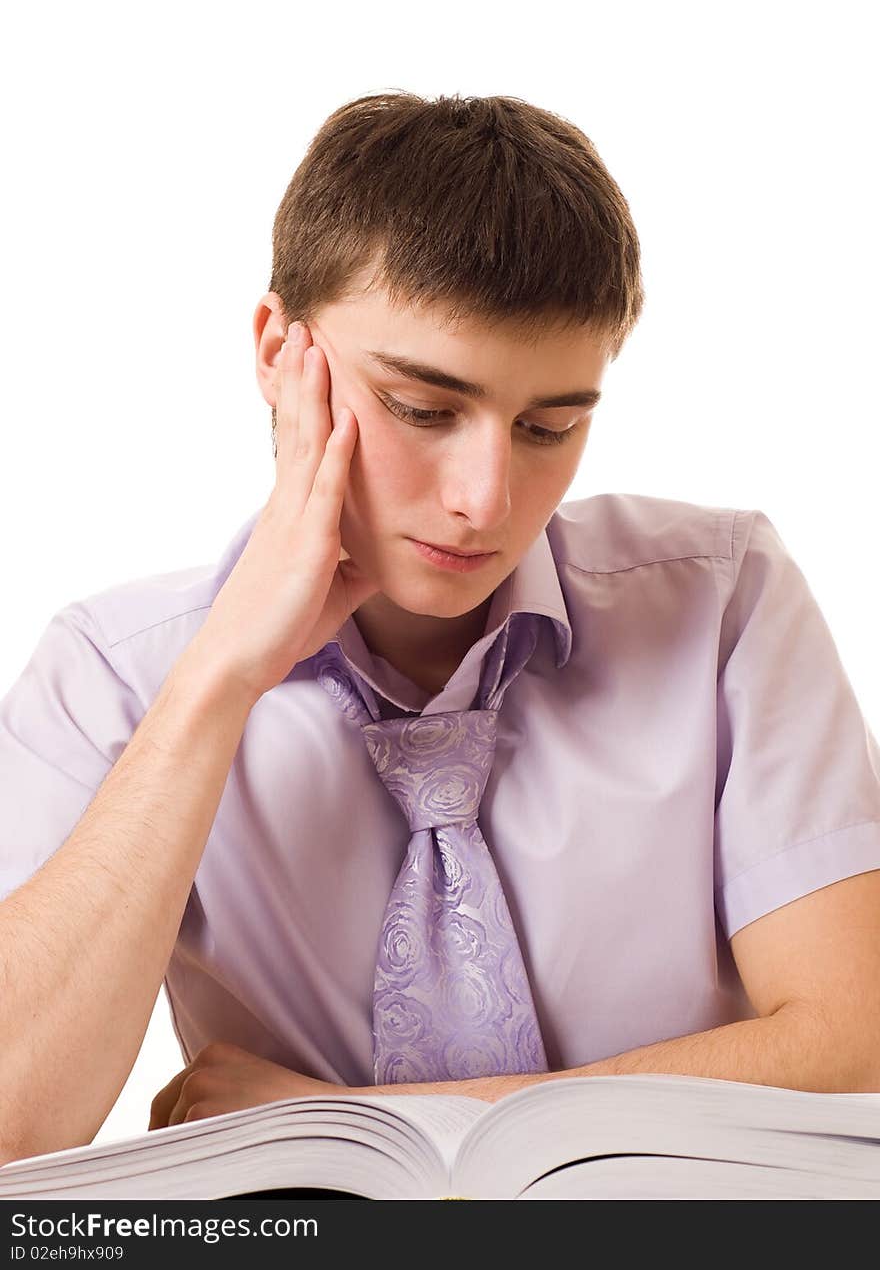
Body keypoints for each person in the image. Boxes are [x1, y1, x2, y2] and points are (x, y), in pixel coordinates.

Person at [1, 92, 879, 1167]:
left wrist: (364, 1124)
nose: (486, 497)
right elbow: (13, 1122)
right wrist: (219, 678)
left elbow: (852, 1047)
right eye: (422, 407)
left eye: (550, 425)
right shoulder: (110, 677)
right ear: (281, 351)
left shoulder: (722, 602)